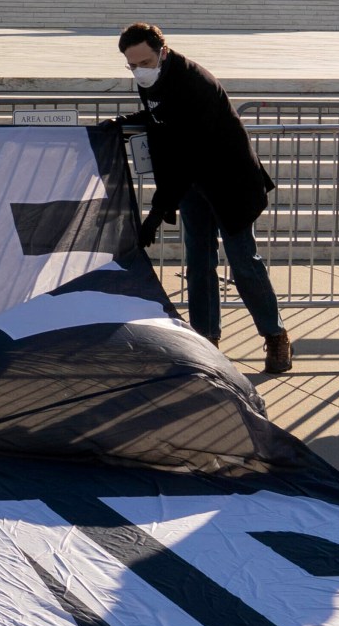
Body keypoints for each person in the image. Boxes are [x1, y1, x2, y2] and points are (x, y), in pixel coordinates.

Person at [117, 22, 292, 374]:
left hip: (229, 182)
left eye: (145, 62)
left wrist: (156, 211)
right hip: (194, 184)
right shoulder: (155, 78)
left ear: (163, 52)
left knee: (244, 262)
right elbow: (159, 118)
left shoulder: (194, 83)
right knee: (198, 263)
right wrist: (119, 124)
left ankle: (275, 336)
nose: (140, 71)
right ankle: (205, 341)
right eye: (132, 65)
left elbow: (187, 153)